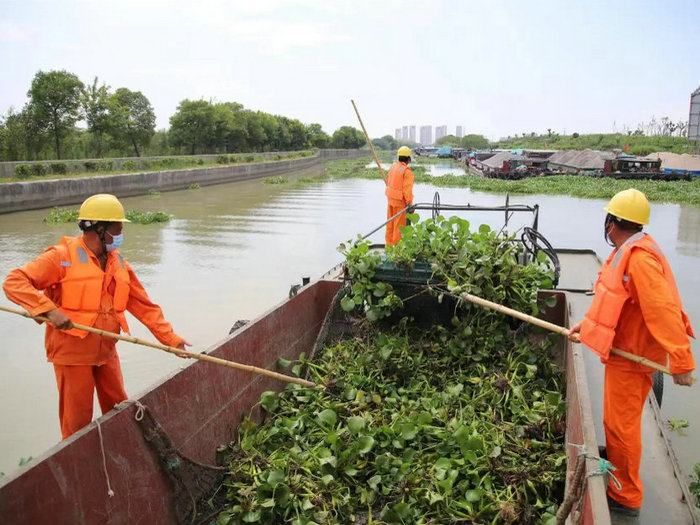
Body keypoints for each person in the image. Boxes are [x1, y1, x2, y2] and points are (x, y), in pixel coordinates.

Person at [3, 194, 190, 439]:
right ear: (99, 229)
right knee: (77, 422)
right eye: (118, 229)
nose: (121, 235)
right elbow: (14, 281)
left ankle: (119, 452)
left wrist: (172, 340)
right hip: (72, 354)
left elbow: (145, 307)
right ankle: (77, 467)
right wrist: (49, 310)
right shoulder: (62, 257)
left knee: (119, 408)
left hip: (106, 352)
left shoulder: (119, 263)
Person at [568, 188, 695, 516]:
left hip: (632, 359)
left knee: (621, 429)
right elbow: (613, 300)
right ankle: (620, 481)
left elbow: (663, 311)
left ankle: (625, 498)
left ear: (612, 223)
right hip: (621, 354)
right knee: (615, 424)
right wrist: (588, 325)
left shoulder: (639, 258)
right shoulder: (627, 251)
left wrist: (681, 360)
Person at [384, 146, 415, 246]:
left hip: (390, 200)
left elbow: (389, 182)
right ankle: (397, 250)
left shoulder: (393, 167)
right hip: (400, 203)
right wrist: (410, 204)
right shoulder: (407, 172)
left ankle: (389, 247)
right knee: (399, 227)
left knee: (390, 225)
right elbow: (407, 191)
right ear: (408, 159)